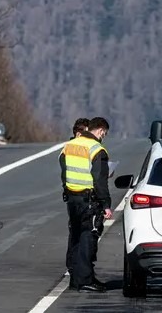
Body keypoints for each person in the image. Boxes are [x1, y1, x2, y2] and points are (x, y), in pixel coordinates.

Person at [60, 117, 113, 292]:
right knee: (88, 238)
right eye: (103, 134)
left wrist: (67, 188)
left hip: (72, 198)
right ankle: (85, 280)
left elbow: (64, 168)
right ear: (100, 131)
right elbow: (99, 181)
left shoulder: (70, 145)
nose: (103, 137)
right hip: (89, 200)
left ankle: (76, 278)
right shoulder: (97, 149)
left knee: (75, 236)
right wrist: (105, 204)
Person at [63, 117, 91, 281]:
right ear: (79, 133)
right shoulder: (74, 147)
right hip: (78, 195)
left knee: (77, 231)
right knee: (78, 231)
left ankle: (74, 266)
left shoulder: (71, 147)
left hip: (76, 194)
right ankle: (74, 266)